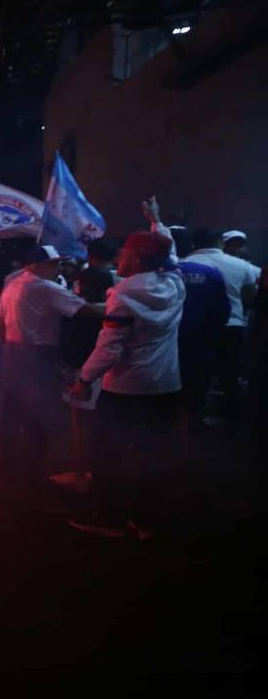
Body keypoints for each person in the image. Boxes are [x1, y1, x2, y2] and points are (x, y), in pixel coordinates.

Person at [69, 227, 184, 539]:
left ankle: (108, 517)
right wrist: (157, 224)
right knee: (152, 453)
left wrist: (84, 378)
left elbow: (110, 347)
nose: (120, 256)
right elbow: (171, 258)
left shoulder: (123, 294)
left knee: (108, 453)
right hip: (165, 383)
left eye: (126, 252)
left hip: (126, 386)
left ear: (137, 259)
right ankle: (146, 520)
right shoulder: (175, 283)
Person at [0, 244, 102, 481]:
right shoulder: (45, 287)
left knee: (12, 408)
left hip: (12, 351)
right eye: (53, 264)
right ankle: (32, 468)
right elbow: (85, 310)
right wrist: (112, 307)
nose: (58, 268)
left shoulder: (11, 284)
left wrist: (7, 349)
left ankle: (6, 461)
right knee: (39, 411)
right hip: (38, 354)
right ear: (36, 265)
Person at [53, 238, 118, 492]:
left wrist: (71, 370)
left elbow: (72, 339)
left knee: (80, 423)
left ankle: (82, 474)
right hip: (104, 370)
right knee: (95, 424)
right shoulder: (116, 306)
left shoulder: (82, 311)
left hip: (84, 369)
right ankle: (93, 471)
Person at [183, 227, 260, 420]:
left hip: (193, 327)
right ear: (220, 243)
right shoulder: (242, 266)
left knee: (195, 372)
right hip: (232, 325)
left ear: (193, 244)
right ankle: (233, 417)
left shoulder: (183, 265)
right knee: (229, 374)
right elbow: (250, 296)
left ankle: (193, 415)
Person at [167, 228, 230, 433]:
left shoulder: (157, 274)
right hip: (199, 343)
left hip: (163, 345)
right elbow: (222, 311)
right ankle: (192, 426)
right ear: (192, 246)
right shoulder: (209, 272)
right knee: (196, 386)